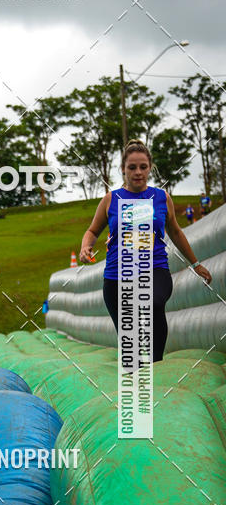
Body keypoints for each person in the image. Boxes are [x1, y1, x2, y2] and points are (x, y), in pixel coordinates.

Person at [79, 139, 212, 363]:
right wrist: (85, 247)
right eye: (132, 167)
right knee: (130, 351)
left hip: (155, 269)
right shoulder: (111, 200)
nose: (138, 172)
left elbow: (177, 233)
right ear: (123, 169)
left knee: (153, 302)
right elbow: (92, 231)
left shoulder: (161, 198)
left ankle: (156, 363)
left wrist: (195, 264)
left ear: (150, 168)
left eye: (143, 167)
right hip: (116, 278)